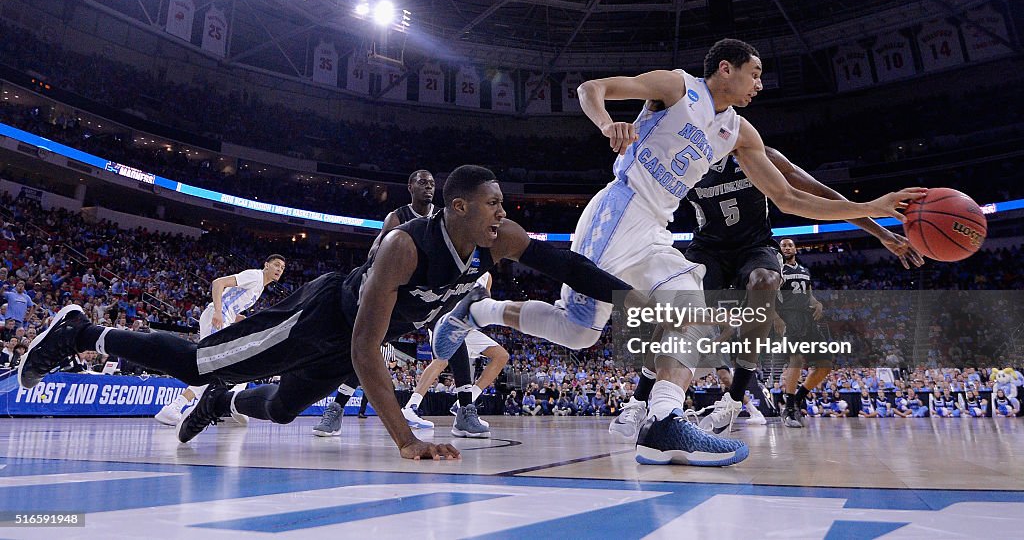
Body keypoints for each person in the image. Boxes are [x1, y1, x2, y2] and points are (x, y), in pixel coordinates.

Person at [438, 39, 924, 465]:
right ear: (726, 69)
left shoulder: (738, 132)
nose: (760, 84)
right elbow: (592, 88)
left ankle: (664, 419)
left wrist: (874, 208)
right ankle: (479, 310)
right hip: (618, 209)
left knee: (692, 306)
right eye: (754, 73)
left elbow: (790, 198)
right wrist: (610, 125)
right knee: (580, 333)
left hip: (654, 229)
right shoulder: (676, 86)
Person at [19, 166, 670, 461]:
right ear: (459, 207)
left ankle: (223, 404)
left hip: (356, 340)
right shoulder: (405, 249)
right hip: (322, 319)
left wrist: (623, 293)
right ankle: (83, 330)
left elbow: (566, 267)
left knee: (275, 409)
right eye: (494, 202)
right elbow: (364, 352)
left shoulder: (496, 240)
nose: (505, 213)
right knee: (196, 362)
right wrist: (407, 439)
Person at [622, 147, 923, 437]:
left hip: (755, 247)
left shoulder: (758, 155)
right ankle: (638, 400)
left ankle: (733, 400)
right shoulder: (684, 162)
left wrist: (880, 232)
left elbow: (821, 193)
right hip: (707, 249)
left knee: (765, 281)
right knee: (679, 306)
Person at [313, 170, 438, 436]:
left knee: (454, 341)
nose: (428, 186)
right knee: (365, 346)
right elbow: (376, 251)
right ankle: (336, 408)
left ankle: (465, 407)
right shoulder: (398, 217)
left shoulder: (441, 219)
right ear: (410, 187)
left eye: (431, 183)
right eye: (422, 182)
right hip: (393, 294)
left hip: (425, 296)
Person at [154, 255, 286, 426]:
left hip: (223, 319)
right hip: (217, 318)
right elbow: (218, 283)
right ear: (266, 265)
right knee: (221, 366)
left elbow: (232, 307)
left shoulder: (259, 286)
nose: (279, 269)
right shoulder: (255, 276)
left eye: (282, 268)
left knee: (223, 366)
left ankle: (179, 407)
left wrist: (245, 320)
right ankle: (178, 407)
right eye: (276, 265)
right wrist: (218, 311)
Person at [398, 273, 509, 434]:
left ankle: (463, 404)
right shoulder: (465, 265)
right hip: (447, 321)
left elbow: (484, 306)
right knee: (441, 361)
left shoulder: (488, 277)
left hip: (467, 327)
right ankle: (410, 407)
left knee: (501, 356)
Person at [776, 238, 833, 428]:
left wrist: (818, 303)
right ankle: (789, 408)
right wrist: (776, 319)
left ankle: (798, 398)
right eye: (783, 245)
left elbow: (809, 295)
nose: (786, 247)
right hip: (788, 318)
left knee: (825, 366)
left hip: (808, 320)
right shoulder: (776, 270)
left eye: (790, 245)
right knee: (797, 359)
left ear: (795, 250)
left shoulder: (803, 270)